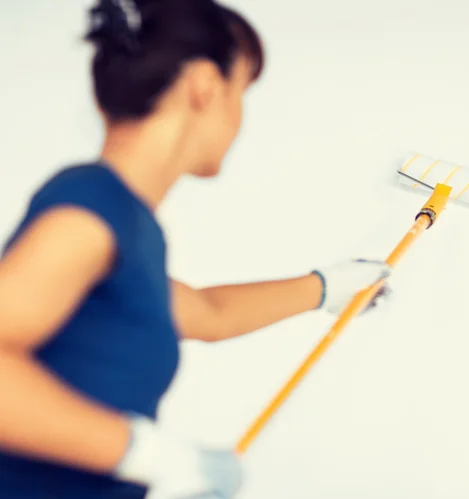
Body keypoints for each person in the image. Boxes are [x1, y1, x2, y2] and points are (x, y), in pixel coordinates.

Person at [0, 1, 392, 498]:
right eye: (242, 91)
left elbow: (210, 313)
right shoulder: (92, 205)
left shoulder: (127, 226)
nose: (241, 116)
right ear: (206, 85)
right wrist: (145, 453)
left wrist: (328, 287)